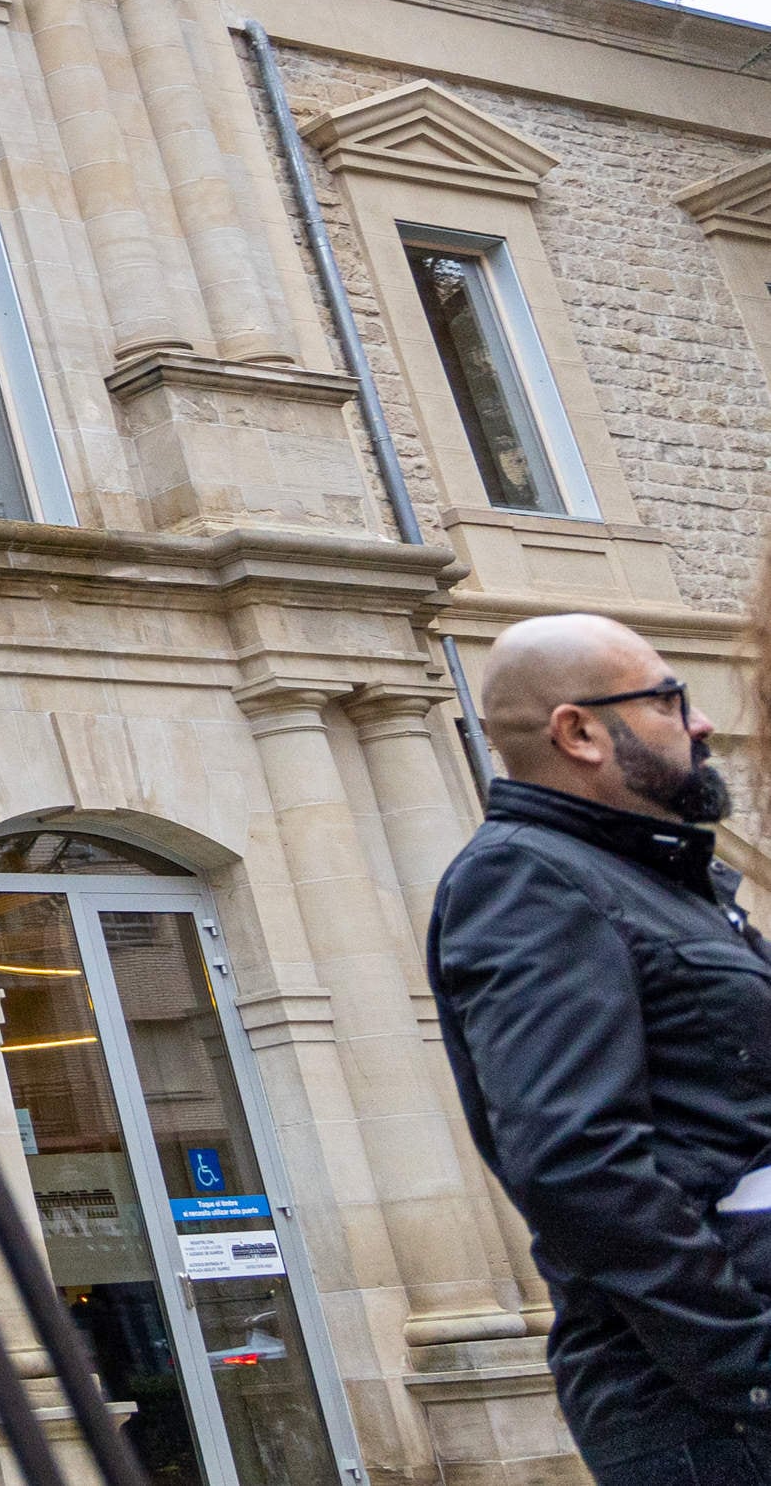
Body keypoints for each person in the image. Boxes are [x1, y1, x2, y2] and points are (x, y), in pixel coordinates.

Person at [431, 610, 771, 1485]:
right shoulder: (526, 879)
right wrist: (749, 1364)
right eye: (667, 700)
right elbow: (576, 1160)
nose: (698, 723)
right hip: (707, 1414)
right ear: (577, 731)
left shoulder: (662, 881)